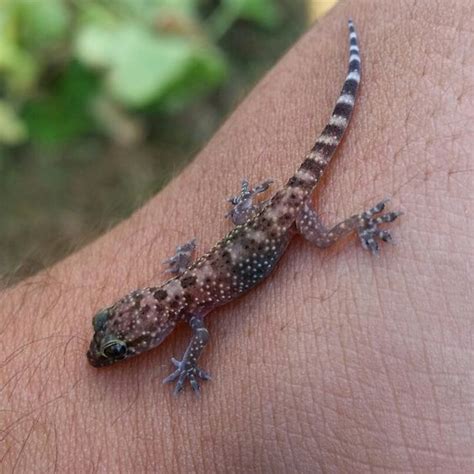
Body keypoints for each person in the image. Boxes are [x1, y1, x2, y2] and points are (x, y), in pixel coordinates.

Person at [1, 0, 472, 471]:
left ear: (151, 322)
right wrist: (241, 213)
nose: (112, 349)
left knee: (325, 242)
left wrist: (186, 364)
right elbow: (189, 266)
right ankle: (346, 76)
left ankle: (363, 220)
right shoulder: (186, 293)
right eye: (117, 343)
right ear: (136, 304)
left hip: (284, 216)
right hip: (268, 212)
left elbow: (200, 336)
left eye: (120, 347)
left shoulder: (194, 312)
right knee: (291, 190)